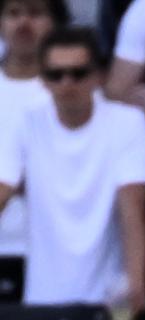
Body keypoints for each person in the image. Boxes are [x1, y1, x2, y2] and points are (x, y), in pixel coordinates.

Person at [0, 27, 145, 311]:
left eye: (78, 73)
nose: (67, 83)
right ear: (43, 80)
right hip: (41, 299)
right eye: (56, 74)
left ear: (98, 76)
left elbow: (132, 206)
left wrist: (135, 283)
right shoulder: (26, 122)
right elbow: (3, 190)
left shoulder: (127, 122)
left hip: (109, 300)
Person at [0, 0, 66, 302]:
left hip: (51, 251)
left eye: (36, 13)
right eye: (14, 13)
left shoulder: (72, 89)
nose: (24, 23)